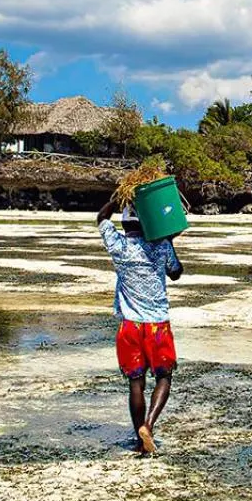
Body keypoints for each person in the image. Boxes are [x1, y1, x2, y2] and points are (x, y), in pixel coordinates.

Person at [95, 193, 183, 454]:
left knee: (136, 383)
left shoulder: (118, 245)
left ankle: (139, 439)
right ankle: (149, 425)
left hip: (130, 325)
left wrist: (115, 198)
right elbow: (176, 273)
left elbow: (101, 218)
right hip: (157, 324)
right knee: (164, 377)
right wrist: (166, 238)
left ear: (125, 225)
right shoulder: (160, 245)